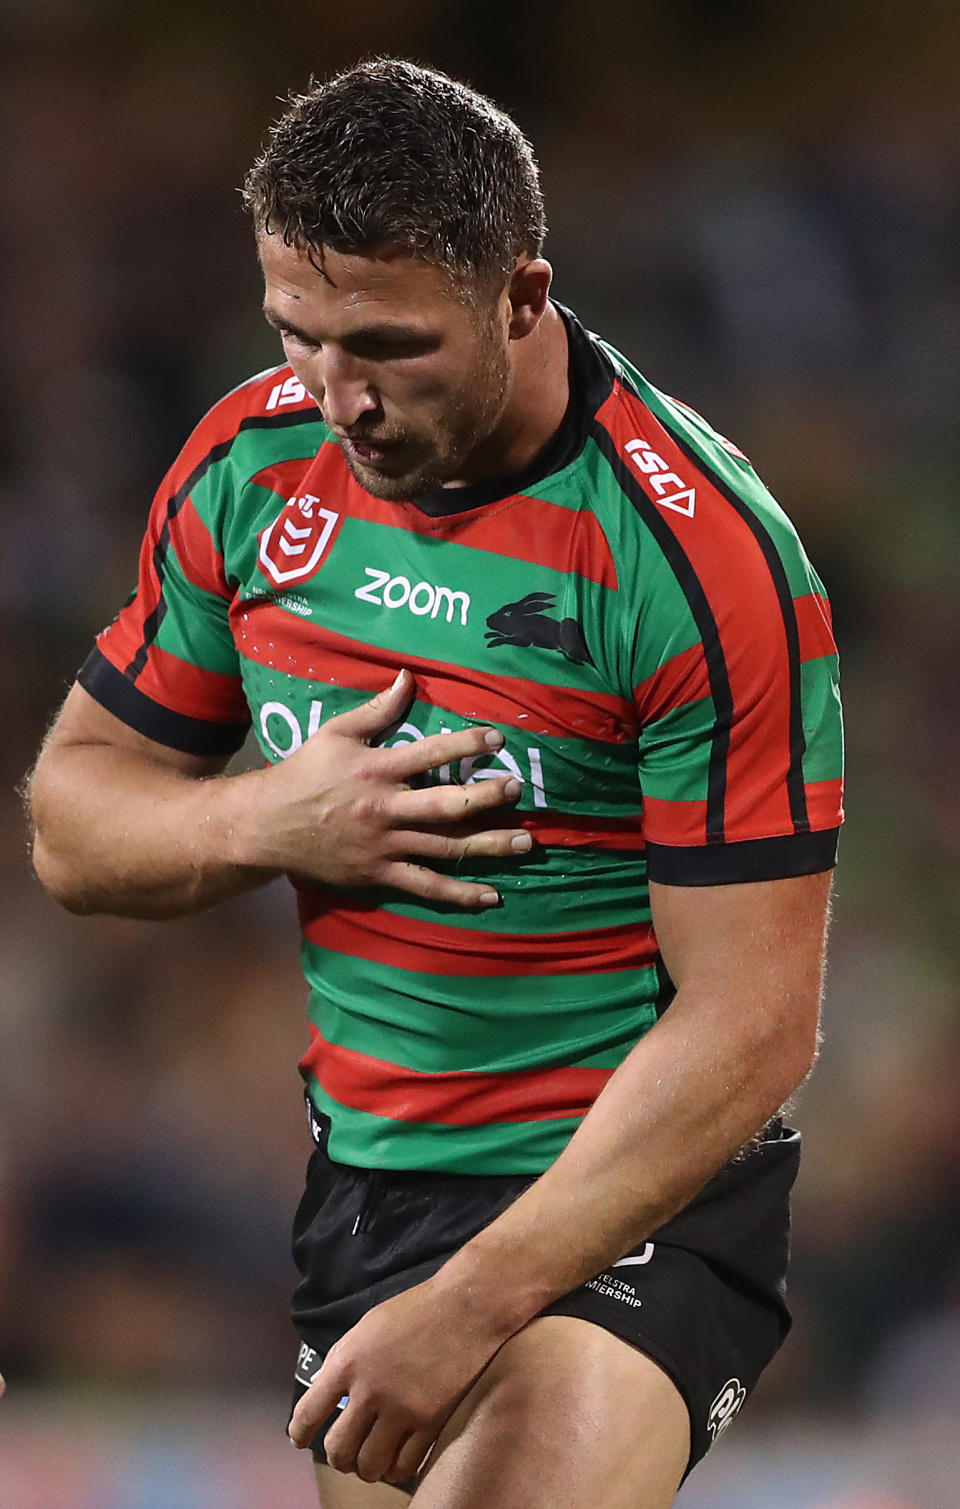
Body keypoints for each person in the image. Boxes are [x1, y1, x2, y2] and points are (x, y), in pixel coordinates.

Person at [27, 58, 843, 1509]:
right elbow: (74, 828)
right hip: (373, 1186)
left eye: (389, 345)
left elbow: (759, 1020)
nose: (340, 395)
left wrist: (478, 1300)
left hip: (622, 1195)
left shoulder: (695, 556)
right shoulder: (251, 464)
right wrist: (264, 818)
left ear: (522, 294)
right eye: (299, 336)